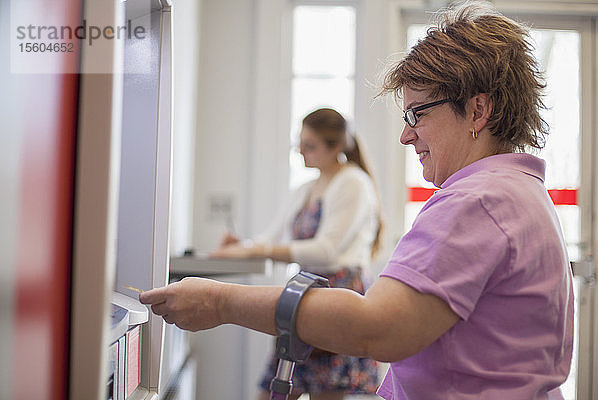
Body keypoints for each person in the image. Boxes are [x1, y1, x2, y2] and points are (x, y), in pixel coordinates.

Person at [140, 2, 574, 399]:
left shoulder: (478, 201)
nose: (406, 135)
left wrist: (222, 302)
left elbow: (377, 328)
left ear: (478, 111)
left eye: (417, 114)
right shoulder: (518, 192)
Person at [212, 107, 383, 400]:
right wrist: (243, 246)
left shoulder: (353, 183)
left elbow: (326, 252)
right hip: (305, 296)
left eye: (310, 145)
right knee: (273, 390)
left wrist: (260, 250)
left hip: (338, 294)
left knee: (326, 392)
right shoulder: (307, 188)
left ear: (336, 146)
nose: (301, 151)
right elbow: (272, 237)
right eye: (300, 143)